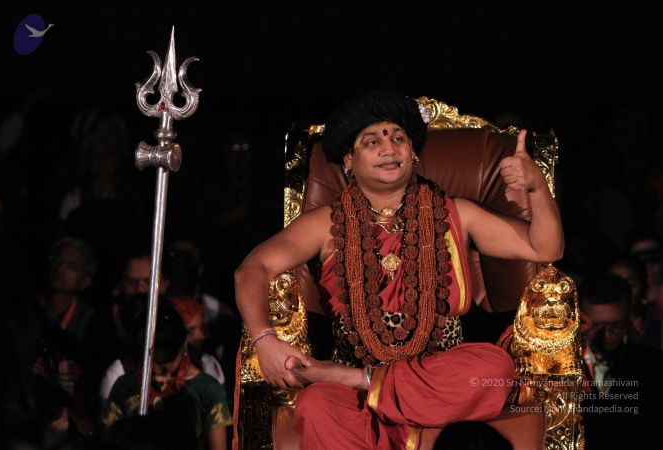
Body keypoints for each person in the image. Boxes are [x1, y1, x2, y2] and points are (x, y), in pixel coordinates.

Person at [234, 90, 563, 448]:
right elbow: (252, 269)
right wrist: (264, 339)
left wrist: (536, 187)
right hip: (356, 395)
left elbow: (544, 247)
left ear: (414, 153)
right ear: (348, 160)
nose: (389, 149)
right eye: (372, 141)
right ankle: (361, 383)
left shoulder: (457, 213)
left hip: (434, 377)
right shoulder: (325, 223)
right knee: (316, 404)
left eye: (398, 138)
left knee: (492, 369)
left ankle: (358, 378)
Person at [102, 304, 232, 450]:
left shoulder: (207, 389)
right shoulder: (126, 385)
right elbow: (110, 439)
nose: (159, 372)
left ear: (183, 345)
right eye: (153, 363)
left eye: (166, 364)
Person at [579, 272, 663, 449]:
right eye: (596, 325)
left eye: (614, 325)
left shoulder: (652, 363)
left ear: (627, 317)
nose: (606, 334)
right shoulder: (565, 362)